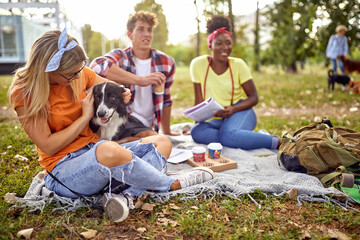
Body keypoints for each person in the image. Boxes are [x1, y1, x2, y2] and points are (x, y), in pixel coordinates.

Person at [8, 29, 214, 223]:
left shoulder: (81, 74)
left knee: (161, 141)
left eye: (80, 69)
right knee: (107, 149)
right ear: (49, 69)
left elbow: (110, 87)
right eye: (71, 74)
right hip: (63, 170)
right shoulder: (24, 92)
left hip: (94, 152)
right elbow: (49, 146)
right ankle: (169, 183)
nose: (78, 77)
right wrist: (85, 117)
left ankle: (126, 196)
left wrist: (123, 92)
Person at [189, 15, 280, 150]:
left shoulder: (238, 65)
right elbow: (199, 101)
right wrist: (197, 122)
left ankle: (277, 142)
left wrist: (233, 109)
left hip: (240, 111)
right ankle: (242, 136)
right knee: (196, 132)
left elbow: (254, 98)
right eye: (219, 43)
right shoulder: (198, 64)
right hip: (217, 118)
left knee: (227, 136)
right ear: (210, 45)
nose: (224, 47)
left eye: (228, 42)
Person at [90, 11, 179, 143]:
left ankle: (125, 142)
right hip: (125, 117)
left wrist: (167, 131)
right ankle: (125, 142)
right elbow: (97, 66)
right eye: (141, 29)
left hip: (147, 124)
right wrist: (140, 80)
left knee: (158, 139)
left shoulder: (167, 62)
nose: (147, 34)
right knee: (153, 139)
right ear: (130, 34)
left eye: (150, 30)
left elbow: (166, 100)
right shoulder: (121, 56)